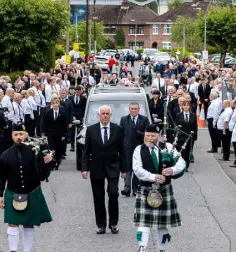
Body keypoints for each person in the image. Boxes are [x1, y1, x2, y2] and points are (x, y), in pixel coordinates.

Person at [133, 124, 186, 252]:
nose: (150, 138)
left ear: (158, 136)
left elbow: (182, 163)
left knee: (162, 224)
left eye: (153, 136)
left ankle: (162, 249)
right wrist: (153, 177)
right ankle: (142, 248)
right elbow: (137, 169)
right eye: (147, 135)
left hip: (164, 190)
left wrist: (172, 170)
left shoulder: (167, 147)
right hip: (146, 189)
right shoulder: (139, 149)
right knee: (143, 222)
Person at [0, 123, 53, 252]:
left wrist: (49, 161)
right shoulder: (5, 155)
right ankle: (13, 250)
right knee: (12, 223)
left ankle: (27, 251)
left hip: (32, 191)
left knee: (29, 224)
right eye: (16, 134)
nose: (18, 137)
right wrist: (0, 195)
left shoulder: (35, 151)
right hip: (12, 192)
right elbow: (1, 178)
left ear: (26, 134)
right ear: (12, 136)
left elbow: (43, 175)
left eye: (21, 134)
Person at [81, 105, 127, 234]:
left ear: (110, 115)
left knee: (113, 194)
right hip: (96, 167)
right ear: (99, 115)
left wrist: (124, 169)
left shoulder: (118, 129)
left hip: (113, 166)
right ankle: (101, 224)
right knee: (98, 197)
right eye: (103, 113)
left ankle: (113, 223)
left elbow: (122, 150)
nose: (105, 116)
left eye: (107, 113)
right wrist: (84, 169)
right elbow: (86, 151)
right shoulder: (91, 130)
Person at [120, 103, 149, 197]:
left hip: (139, 148)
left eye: (135, 109)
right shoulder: (124, 119)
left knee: (137, 169)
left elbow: (148, 134)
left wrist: (141, 134)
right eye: (132, 109)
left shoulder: (144, 119)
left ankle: (135, 189)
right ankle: (126, 188)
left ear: (138, 110)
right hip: (127, 148)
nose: (134, 110)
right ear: (129, 109)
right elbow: (121, 134)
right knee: (127, 168)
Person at [41, 97, 67, 170]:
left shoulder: (63, 112)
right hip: (51, 133)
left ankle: (57, 162)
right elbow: (45, 123)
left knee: (58, 148)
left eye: (57, 103)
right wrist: (44, 133)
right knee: (51, 147)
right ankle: (52, 162)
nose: (55, 104)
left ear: (59, 103)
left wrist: (64, 135)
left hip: (59, 133)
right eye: (54, 103)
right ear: (52, 104)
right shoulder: (48, 112)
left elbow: (64, 124)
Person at [175, 101, 198, 171]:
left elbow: (195, 127)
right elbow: (176, 126)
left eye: (187, 105)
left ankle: (186, 166)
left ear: (189, 107)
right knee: (181, 152)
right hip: (181, 137)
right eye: (184, 105)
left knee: (187, 152)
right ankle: (181, 166)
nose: (186, 107)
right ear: (182, 106)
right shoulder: (178, 115)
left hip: (189, 137)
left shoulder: (193, 115)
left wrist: (194, 137)